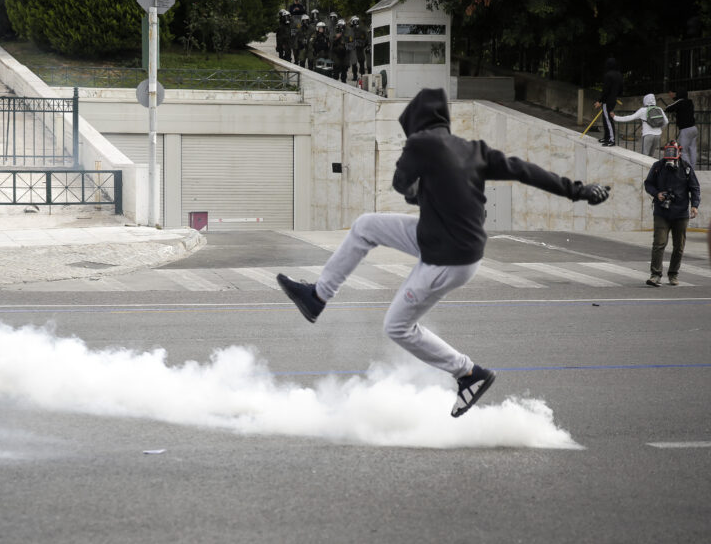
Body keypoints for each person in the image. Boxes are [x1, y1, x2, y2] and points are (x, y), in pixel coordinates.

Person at [276, 88, 610, 418]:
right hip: (447, 241)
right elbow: (525, 170)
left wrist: (416, 187)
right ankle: (317, 297)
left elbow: (400, 183)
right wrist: (579, 191)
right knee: (366, 226)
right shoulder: (474, 150)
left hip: (447, 257)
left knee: (397, 326)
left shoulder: (420, 144)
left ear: (415, 124)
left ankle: (469, 374)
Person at [643, 140, 700, 286]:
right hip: (662, 211)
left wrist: (694, 205)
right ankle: (655, 275)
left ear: (679, 152)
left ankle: (673, 274)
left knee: (679, 246)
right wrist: (657, 194)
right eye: (667, 154)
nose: (670, 157)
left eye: (673, 154)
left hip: (680, 213)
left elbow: (694, 188)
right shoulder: (658, 166)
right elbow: (648, 183)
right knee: (659, 243)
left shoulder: (686, 168)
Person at [663, 88, 697, 167]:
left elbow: (668, 108)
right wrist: (675, 99)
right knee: (693, 149)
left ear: (679, 94)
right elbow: (679, 103)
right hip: (694, 128)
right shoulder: (690, 102)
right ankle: (693, 168)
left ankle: (689, 170)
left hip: (685, 130)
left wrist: (674, 99)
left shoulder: (680, 102)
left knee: (683, 151)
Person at [593, 57, 623, 147]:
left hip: (607, 101)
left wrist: (600, 101)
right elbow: (621, 88)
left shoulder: (608, 75)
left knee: (608, 120)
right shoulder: (619, 74)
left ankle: (611, 139)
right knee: (605, 119)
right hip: (613, 99)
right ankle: (606, 137)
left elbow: (605, 90)